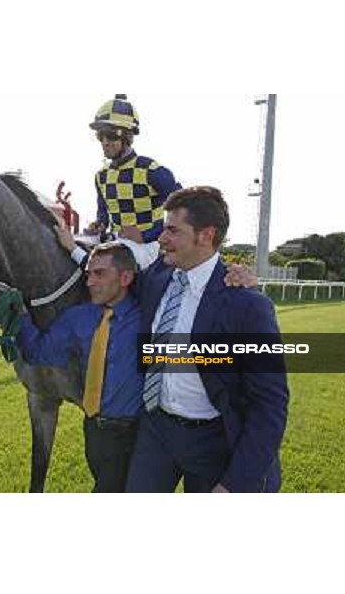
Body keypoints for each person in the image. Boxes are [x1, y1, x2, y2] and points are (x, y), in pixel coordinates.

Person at [124, 186, 289, 493]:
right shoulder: (157, 276)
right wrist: (73, 246)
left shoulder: (247, 305)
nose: (161, 238)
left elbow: (270, 404)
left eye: (173, 230)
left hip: (214, 442)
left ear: (206, 235)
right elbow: (111, 278)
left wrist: (234, 484)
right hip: (156, 431)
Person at [16, 242, 143, 493]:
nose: (90, 282)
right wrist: (18, 317)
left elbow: (199, 357)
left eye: (100, 274)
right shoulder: (78, 318)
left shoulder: (147, 318)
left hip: (134, 436)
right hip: (94, 433)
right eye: (88, 274)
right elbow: (39, 352)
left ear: (126, 277)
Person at [89, 94, 182, 267]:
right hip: (117, 245)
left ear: (127, 136)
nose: (105, 142)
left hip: (150, 247)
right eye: (100, 136)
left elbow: (184, 209)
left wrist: (147, 235)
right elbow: (103, 212)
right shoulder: (101, 175)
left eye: (111, 135)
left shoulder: (152, 171)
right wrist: (99, 224)